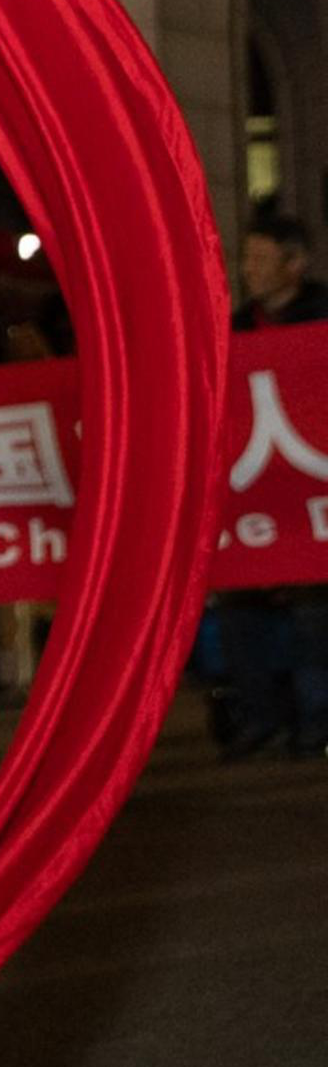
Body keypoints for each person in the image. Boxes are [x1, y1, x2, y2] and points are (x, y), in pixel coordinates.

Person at [217, 207, 328, 757]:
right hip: (255, 502)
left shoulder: (321, 321)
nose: (249, 270)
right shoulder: (233, 331)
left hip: (313, 503)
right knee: (238, 608)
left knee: (312, 610)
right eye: (246, 259)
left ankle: (316, 719)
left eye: (262, 259)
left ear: (296, 264)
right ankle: (260, 716)